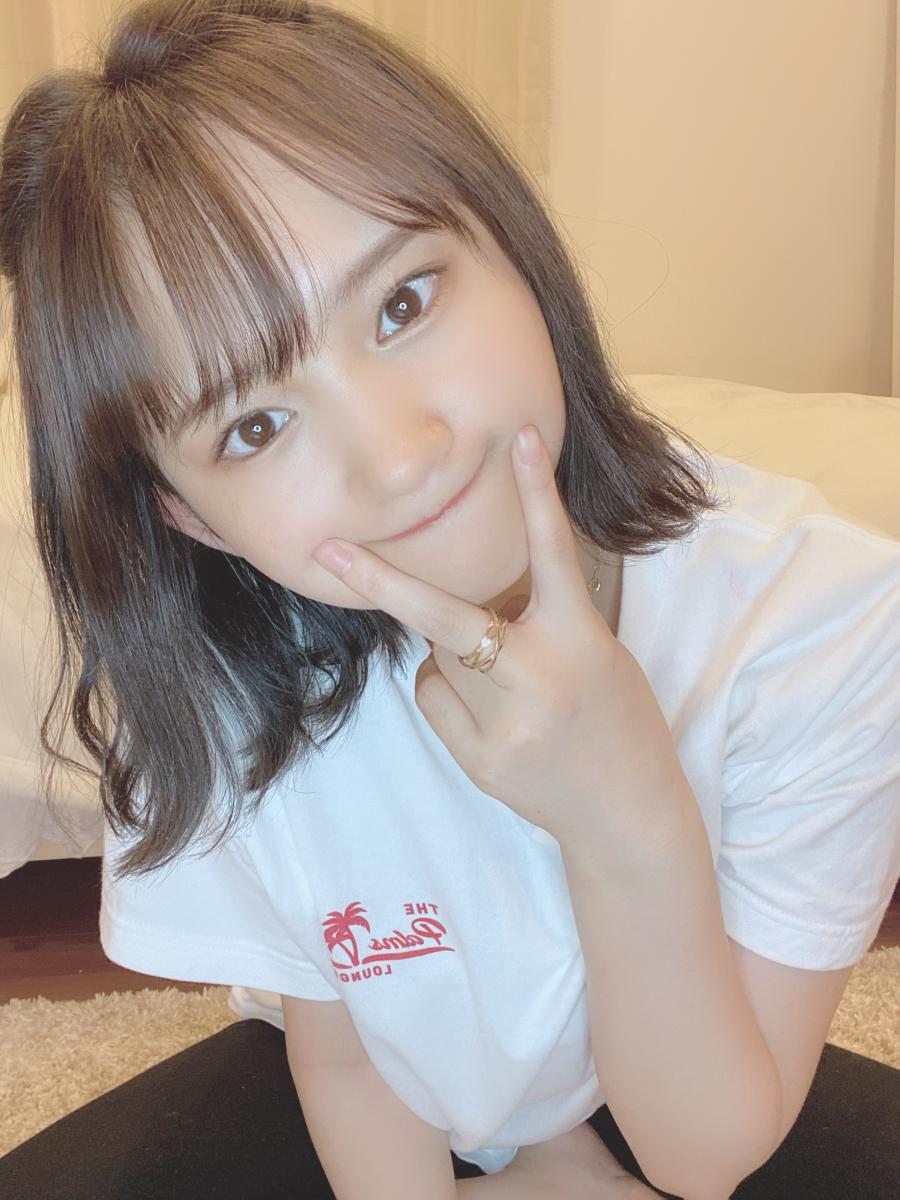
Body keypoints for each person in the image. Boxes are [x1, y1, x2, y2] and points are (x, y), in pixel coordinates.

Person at [0, 2, 897, 1197]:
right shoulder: (226, 678)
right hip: (406, 1083)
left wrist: (625, 810)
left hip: (701, 1060)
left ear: (512, 241)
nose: (398, 457)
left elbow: (704, 1153)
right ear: (191, 516)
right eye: (256, 426)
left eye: (403, 303)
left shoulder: (823, 619)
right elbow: (348, 1056)